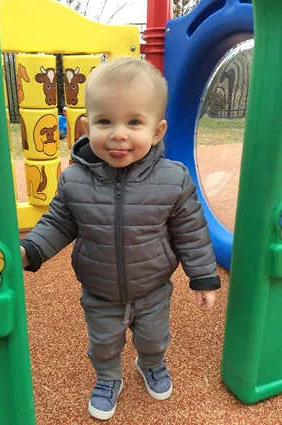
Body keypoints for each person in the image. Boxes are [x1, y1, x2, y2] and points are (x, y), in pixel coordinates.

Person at [20, 57, 221, 421]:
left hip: (153, 288)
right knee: (104, 343)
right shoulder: (74, 180)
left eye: (133, 122)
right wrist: (30, 249)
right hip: (99, 289)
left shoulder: (173, 180)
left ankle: (151, 363)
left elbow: (190, 231)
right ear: (87, 125)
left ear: (157, 131)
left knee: (154, 338)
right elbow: (59, 222)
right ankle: (108, 377)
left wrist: (203, 276)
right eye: (104, 121)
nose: (118, 133)